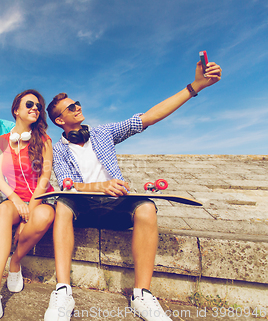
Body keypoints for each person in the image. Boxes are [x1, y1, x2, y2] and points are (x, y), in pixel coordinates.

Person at [45, 61, 222, 321]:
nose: (78, 107)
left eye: (77, 102)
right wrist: (98, 186)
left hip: (116, 203)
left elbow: (148, 117)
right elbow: (66, 183)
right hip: (82, 206)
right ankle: (62, 291)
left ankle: (142, 295)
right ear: (60, 120)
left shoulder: (103, 133)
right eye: (71, 107)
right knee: (62, 202)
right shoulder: (58, 148)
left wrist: (194, 87)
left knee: (147, 206)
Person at [0, 89, 56, 321]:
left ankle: (15, 262)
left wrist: (31, 208)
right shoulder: (1, 141)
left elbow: (45, 178)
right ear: (16, 110)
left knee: (45, 216)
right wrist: (15, 200)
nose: (35, 108)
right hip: (14, 199)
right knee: (4, 210)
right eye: (29, 104)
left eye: (38, 106)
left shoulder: (45, 140)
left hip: (39, 198)